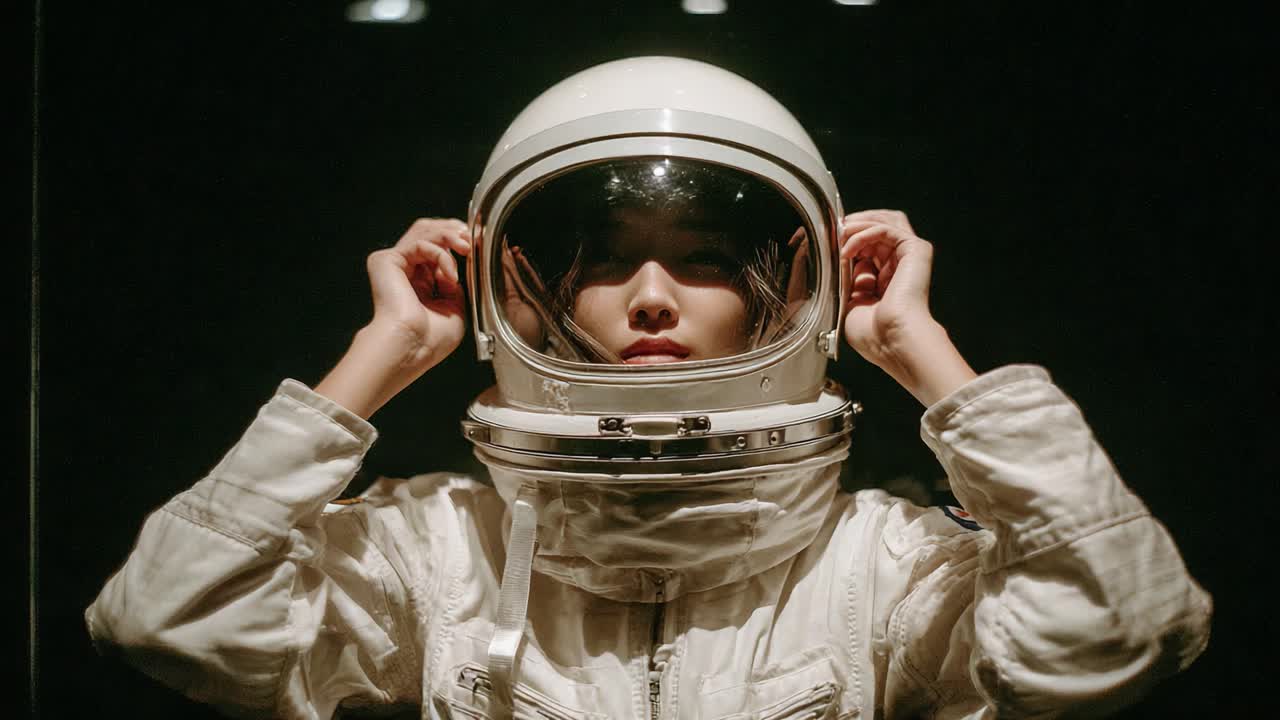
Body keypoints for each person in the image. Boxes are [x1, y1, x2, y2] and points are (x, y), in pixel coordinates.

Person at [86, 57, 1211, 720]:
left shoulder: (878, 561)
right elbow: (171, 621)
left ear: (796, 282)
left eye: (709, 260)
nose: (654, 297)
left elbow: (1123, 632)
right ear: (520, 287)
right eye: (606, 259)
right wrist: (378, 359)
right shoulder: (438, 553)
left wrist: (918, 352)